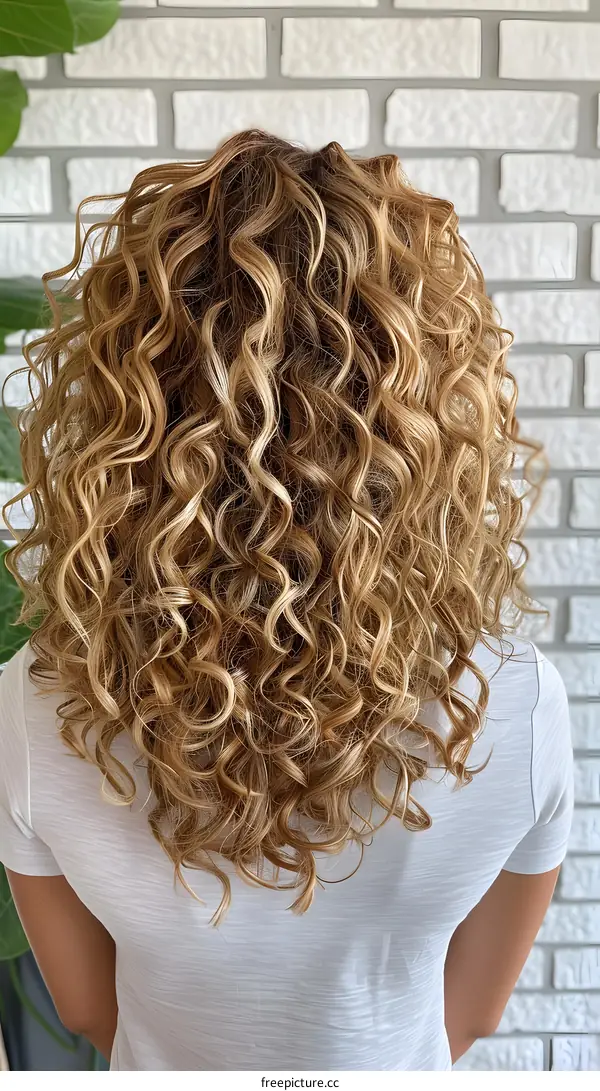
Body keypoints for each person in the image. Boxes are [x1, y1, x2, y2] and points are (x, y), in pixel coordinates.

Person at [0, 131, 573, 1072]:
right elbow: (469, 1016)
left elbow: (88, 1008)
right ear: (423, 412)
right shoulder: (513, 705)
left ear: (125, 417)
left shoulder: (40, 708)